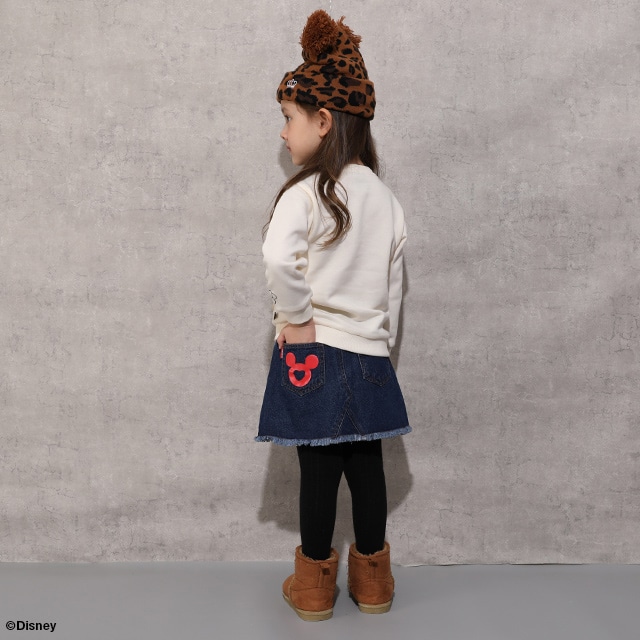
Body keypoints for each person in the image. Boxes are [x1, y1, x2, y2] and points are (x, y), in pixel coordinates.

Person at [256, 9, 411, 622]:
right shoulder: (384, 197)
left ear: (323, 120)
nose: (283, 134)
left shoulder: (306, 192)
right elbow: (392, 287)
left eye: (288, 119)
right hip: (369, 353)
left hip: (313, 351)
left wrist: (296, 318)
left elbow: (277, 257)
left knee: (318, 467)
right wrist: (379, 341)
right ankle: (373, 584)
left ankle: (316, 588)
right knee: (367, 466)